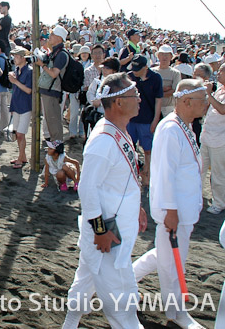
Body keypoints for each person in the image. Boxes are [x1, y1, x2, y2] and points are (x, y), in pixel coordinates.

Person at [63, 73, 147, 329]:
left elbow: (121, 179)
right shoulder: (103, 140)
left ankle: (69, 324)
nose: (139, 99)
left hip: (114, 228)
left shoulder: (118, 130)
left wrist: (137, 207)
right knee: (123, 306)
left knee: (84, 282)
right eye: (134, 95)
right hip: (108, 236)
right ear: (119, 102)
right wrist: (100, 231)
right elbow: (87, 190)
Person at [132, 80, 208, 329]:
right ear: (186, 101)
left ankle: (125, 279)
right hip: (173, 211)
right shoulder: (170, 130)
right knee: (173, 262)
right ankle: (177, 313)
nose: (207, 104)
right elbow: (164, 174)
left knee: (164, 255)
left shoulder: (186, 126)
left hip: (185, 208)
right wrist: (171, 211)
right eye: (203, 100)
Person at [127, 55, 163, 186]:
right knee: (129, 148)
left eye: (138, 69)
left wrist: (155, 120)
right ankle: (131, 174)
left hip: (147, 120)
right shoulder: (130, 77)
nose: (135, 72)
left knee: (148, 150)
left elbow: (158, 100)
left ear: (146, 67)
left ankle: (147, 174)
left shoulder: (156, 78)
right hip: (131, 119)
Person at [35, 25, 69, 141]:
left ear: (59, 38)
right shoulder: (56, 52)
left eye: (53, 34)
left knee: (54, 124)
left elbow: (54, 73)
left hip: (53, 91)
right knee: (50, 123)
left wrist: (42, 65)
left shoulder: (61, 54)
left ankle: (57, 148)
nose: (50, 36)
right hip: (50, 90)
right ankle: (53, 148)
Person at [201, 63, 225, 214]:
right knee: (200, 169)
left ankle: (219, 203)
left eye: (222, 71)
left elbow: (222, 110)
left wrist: (209, 94)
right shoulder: (219, 90)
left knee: (218, 174)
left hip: (220, 140)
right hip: (207, 136)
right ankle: (195, 196)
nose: (218, 73)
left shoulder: (214, 92)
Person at [8, 47, 32, 169]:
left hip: (25, 106)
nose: (14, 59)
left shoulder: (29, 71)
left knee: (21, 133)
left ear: (23, 58)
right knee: (18, 133)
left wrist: (15, 81)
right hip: (17, 104)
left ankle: (21, 158)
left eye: (16, 56)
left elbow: (29, 90)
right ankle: (22, 156)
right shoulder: (17, 70)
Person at [152, 45, 181, 117]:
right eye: (162, 54)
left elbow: (174, 91)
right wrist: (165, 89)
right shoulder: (152, 71)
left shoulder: (175, 73)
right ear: (158, 56)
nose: (164, 57)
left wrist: (158, 92)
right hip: (152, 106)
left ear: (171, 57)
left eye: (167, 55)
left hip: (168, 108)